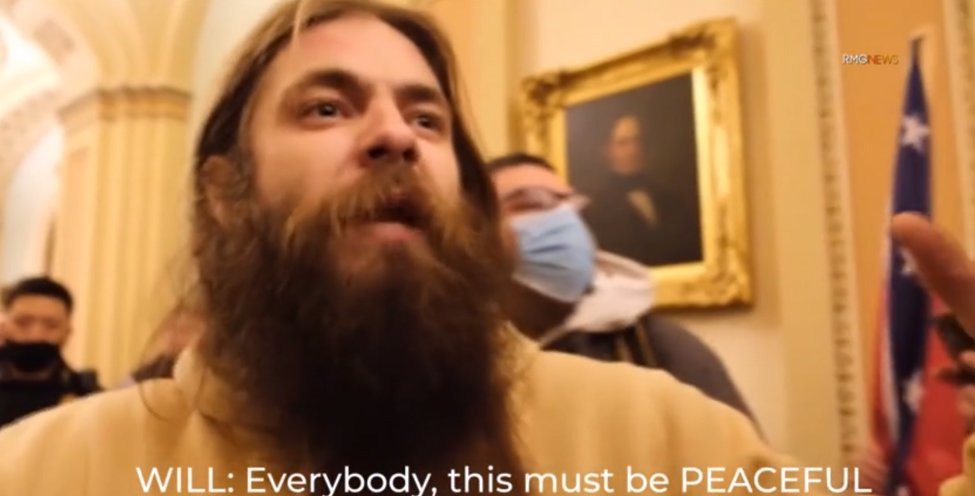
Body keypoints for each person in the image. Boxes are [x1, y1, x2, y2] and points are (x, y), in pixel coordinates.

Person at [0, 2, 973, 494]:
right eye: (327, 107)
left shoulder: (663, 439)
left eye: (427, 118)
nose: (395, 135)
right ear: (224, 193)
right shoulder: (54, 468)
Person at [488, 152, 755, 421]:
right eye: (533, 203)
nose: (563, 219)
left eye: (571, 206)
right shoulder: (473, 360)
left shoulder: (657, 348)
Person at [581, 114, 702, 267]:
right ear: (607, 150)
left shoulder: (670, 199)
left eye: (637, 140)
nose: (633, 150)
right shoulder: (596, 207)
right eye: (623, 143)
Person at [0, 276, 100, 428]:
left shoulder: (86, 399)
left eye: (51, 325)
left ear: (67, 333)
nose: (36, 336)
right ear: (4, 326)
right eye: (23, 323)